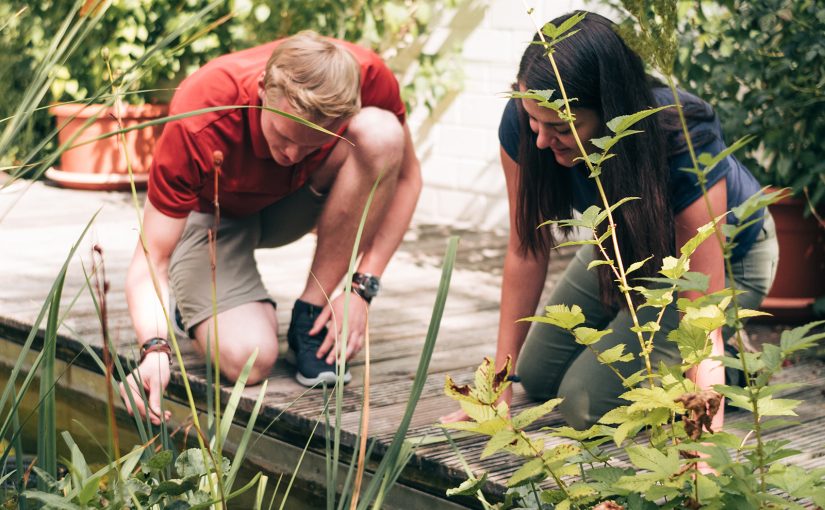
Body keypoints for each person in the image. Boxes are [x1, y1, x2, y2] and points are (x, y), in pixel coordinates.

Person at [442, 12, 778, 430]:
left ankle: (728, 373)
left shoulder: (681, 136)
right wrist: (499, 385)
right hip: (626, 244)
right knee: (539, 376)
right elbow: (525, 250)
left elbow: (701, 311)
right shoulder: (526, 125)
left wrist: (702, 455)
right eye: (534, 121)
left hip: (726, 263)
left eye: (562, 127)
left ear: (611, 110)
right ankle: (662, 359)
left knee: (584, 405)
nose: (542, 140)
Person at [120, 31, 421, 425]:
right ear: (262, 89)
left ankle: (309, 315)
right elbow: (150, 260)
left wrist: (362, 288)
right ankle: (190, 305)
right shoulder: (202, 113)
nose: (293, 154)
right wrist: (155, 348)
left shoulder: (367, 76)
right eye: (283, 135)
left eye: (312, 144)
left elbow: (407, 181)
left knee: (382, 134)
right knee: (249, 359)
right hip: (213, 215)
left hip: (295, 200)